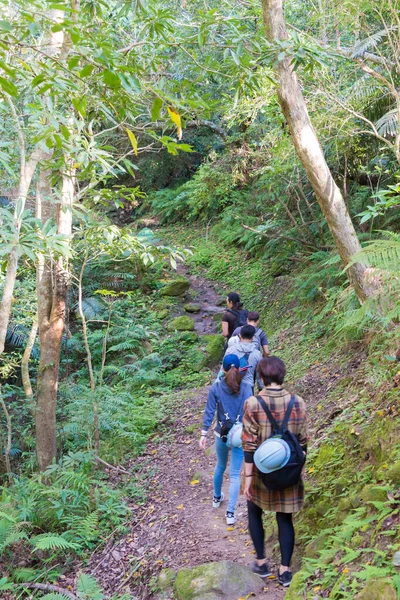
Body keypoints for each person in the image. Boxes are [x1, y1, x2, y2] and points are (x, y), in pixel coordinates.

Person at [242, 356, 308, 588]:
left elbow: (249, 445)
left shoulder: (253, 403)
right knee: (285, 517)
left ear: (261, 377)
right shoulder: (298, 402)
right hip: (288, 470)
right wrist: (295, 469)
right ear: (282, 376)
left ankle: (261, 562)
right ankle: (285, 571)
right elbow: (302, 442)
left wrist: (248, 479)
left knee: (253, 509)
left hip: (262, 472)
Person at [199, 354, 253, 526]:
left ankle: (216, 498)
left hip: (221, 434)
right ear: (239, 369)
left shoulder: (216, 387)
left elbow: (209, 411)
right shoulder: (246, 388)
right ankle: (230, 513)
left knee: (220, 466)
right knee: (235, 474)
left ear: (222, 369)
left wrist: (203, 433)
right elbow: (251, 415)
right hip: (239, 436)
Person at [222, 325, 263, 392]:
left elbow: (223, 369)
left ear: (240, 336)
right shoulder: (257, 354)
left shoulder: (230, 350)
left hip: (230, 385)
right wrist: (260, 388)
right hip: (248, 387)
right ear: (253, 337)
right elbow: (259, 375)